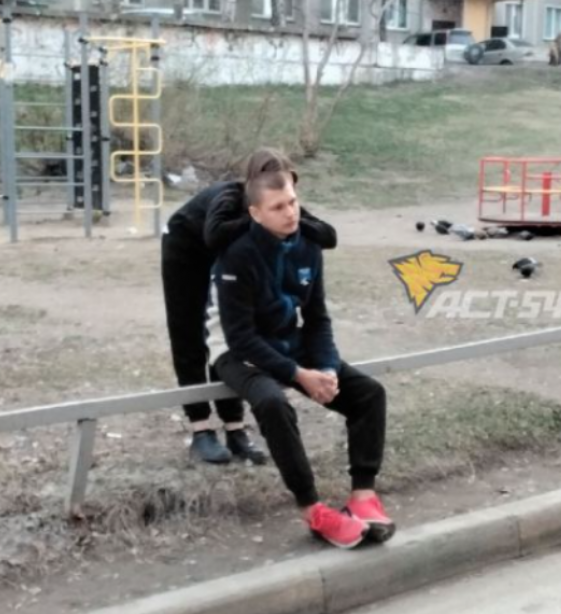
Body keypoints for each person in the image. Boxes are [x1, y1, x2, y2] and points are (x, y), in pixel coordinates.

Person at [209, 169, 394, 549]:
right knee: (273, 403)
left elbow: (318, 318)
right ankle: (313, 510)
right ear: (256, 213)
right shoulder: (237, 254)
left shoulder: (308, 245)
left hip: (287, 343)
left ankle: (362, 497)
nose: (291, 213)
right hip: (237, 352)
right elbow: (240, 337)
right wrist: (297, 374)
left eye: (292, 202)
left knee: (368, 394)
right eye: (278, 207)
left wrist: (325, 368)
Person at [161, 148, 337, 465]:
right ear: (254, 182)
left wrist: (297, 222)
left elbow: (328, 235)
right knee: (188, 334)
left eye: (290, 188)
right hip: (185, 248)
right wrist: (257, 220)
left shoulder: (281, 205)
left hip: (222, 256)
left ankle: (236, 429)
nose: (288, 206)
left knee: (225, 333)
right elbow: (214, 235)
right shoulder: (230, 196)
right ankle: (201, 430)